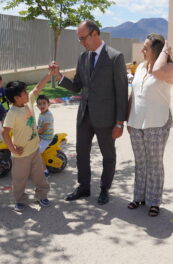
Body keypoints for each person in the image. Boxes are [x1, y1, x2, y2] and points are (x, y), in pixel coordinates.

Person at [50, 20, 128, 205]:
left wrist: (119, 122)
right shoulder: (83, 58)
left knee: (108, 155)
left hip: (106, 118)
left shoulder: (115, 57)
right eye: (79, 39)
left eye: (83, 38)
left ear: (95, 34)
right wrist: (59, 76)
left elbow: (122, 92)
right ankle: (84, 187)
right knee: (81, 153)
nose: (81, 42)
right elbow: (78, 86)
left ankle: (104, 189)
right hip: (85, 115)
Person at [126, 34, 173, 217]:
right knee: (140, 162)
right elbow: (133, 93)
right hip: (136, 122)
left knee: (154, 163)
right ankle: (138, 196)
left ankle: (154, 201)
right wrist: (128, 118)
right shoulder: (140, 67)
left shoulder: (168, 68)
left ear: (157, 50)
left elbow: (156, 70)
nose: (142, 51)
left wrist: (165, 51)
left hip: (157, 123)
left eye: (146, 48)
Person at [2, 73, 52, 212]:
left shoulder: (28, 101)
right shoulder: (12, 113)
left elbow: (37, 88)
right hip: (21, 155)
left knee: (39, 176)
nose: (27, 93)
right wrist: (12, 150)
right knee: (19, 180)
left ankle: (41, 195)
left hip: (34, 150)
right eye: (24, 92)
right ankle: (20, 199)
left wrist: (49, 74)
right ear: (17, 98)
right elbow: (5, 133)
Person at [36, 94, 54, 177]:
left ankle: (45, 171)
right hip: (41, 136)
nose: (42, 105)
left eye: (44, 103)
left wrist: (35, 133)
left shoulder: (48, 115)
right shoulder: (41, 114)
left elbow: (43, 129)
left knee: (36, 152)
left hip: (46, 138)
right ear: (37, 105)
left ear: (48, 104)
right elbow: (39, 126)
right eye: (39, 104)